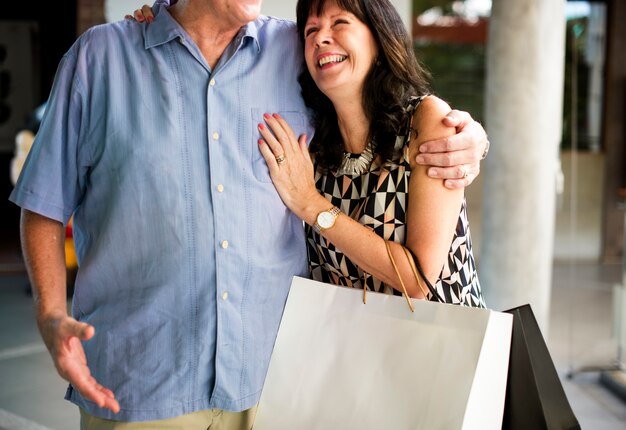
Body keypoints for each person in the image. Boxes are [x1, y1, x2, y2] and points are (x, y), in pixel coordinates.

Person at [10, 0, 488, 428]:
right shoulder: (103, 58)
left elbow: (389, 118)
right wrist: (51, 314)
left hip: (282, 388)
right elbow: (43, 202)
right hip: (143, 387)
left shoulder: (297, 54)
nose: (323, 35)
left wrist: (471, 138)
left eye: (339, 23)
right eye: (317, 26)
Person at [256, 0, 486, 306]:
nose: (320, 37)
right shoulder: (313, 148)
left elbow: (417, 280)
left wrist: (311, 204)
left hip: (443, 346)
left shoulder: (424, 121)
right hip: (359, 349)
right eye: (311, 30)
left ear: (378, 38)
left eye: (339, 23)